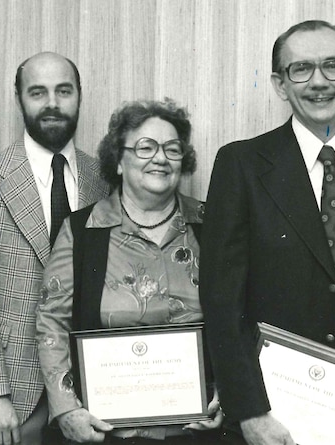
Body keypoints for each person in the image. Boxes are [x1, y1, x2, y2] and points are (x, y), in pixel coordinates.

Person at [200, 20, 335, 445]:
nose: (319, 82)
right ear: (280, 84)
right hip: (281, 410)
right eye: (301, 69)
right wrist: (249, 412)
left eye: (333, 66)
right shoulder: (241, 164)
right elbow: (222, 305)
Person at [36, 99, 223, 444]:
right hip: (105, 433)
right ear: (118, 161)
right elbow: (52, 323)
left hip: (196, 431)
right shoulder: (81, 231)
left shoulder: (212, 226)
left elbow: (237, 318)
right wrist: (65, 409)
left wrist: (229, 395)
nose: (161, 158)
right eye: (145, 147)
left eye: (172, 148)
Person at [0, 51, 109, 445]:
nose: (52, 103)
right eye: (38, 92)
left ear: (79, 97)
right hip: (12, 395)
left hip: (94, 390)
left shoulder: (103, 179)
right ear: (19, 99)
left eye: (63, 91)